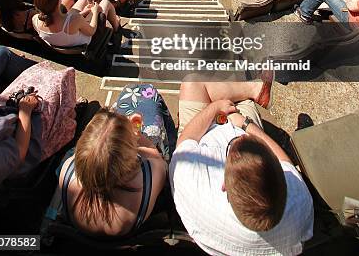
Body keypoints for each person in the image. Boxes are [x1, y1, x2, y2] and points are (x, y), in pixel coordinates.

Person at [170, 81, 314, 256]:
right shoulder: (299, 201)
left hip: (202, 135)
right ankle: (255, 91)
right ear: (283, 182)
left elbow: (186, 140)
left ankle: (251, 90)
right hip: (240, 123)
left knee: (192, 84)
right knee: (238, 99)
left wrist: (215, 108)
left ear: (224, 185)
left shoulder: (193, 184)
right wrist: (245, 125)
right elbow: (284, 160)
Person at [58, 82, 177, 236]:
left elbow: (96, 156)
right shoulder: (148, 178)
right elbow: (157, 158)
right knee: (146, 94)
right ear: (130, 155)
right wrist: (136, 133)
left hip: (86, 237)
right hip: (134, 228)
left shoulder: (66, 172)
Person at [0, 44, 77, 199]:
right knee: (58, 82)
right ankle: (71, 106)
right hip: (25, 136)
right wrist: (25, 111)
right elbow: (19, 151)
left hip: (1, 117)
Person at [33, 0, 120, 50]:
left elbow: (66, 20)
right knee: (106, 2)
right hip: (84, 42)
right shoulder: (75, 20)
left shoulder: (35, 19)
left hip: (66, 38)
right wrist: (95, 12)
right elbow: (92, 31)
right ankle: (116, 28)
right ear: (58, 2)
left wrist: (83, 12)